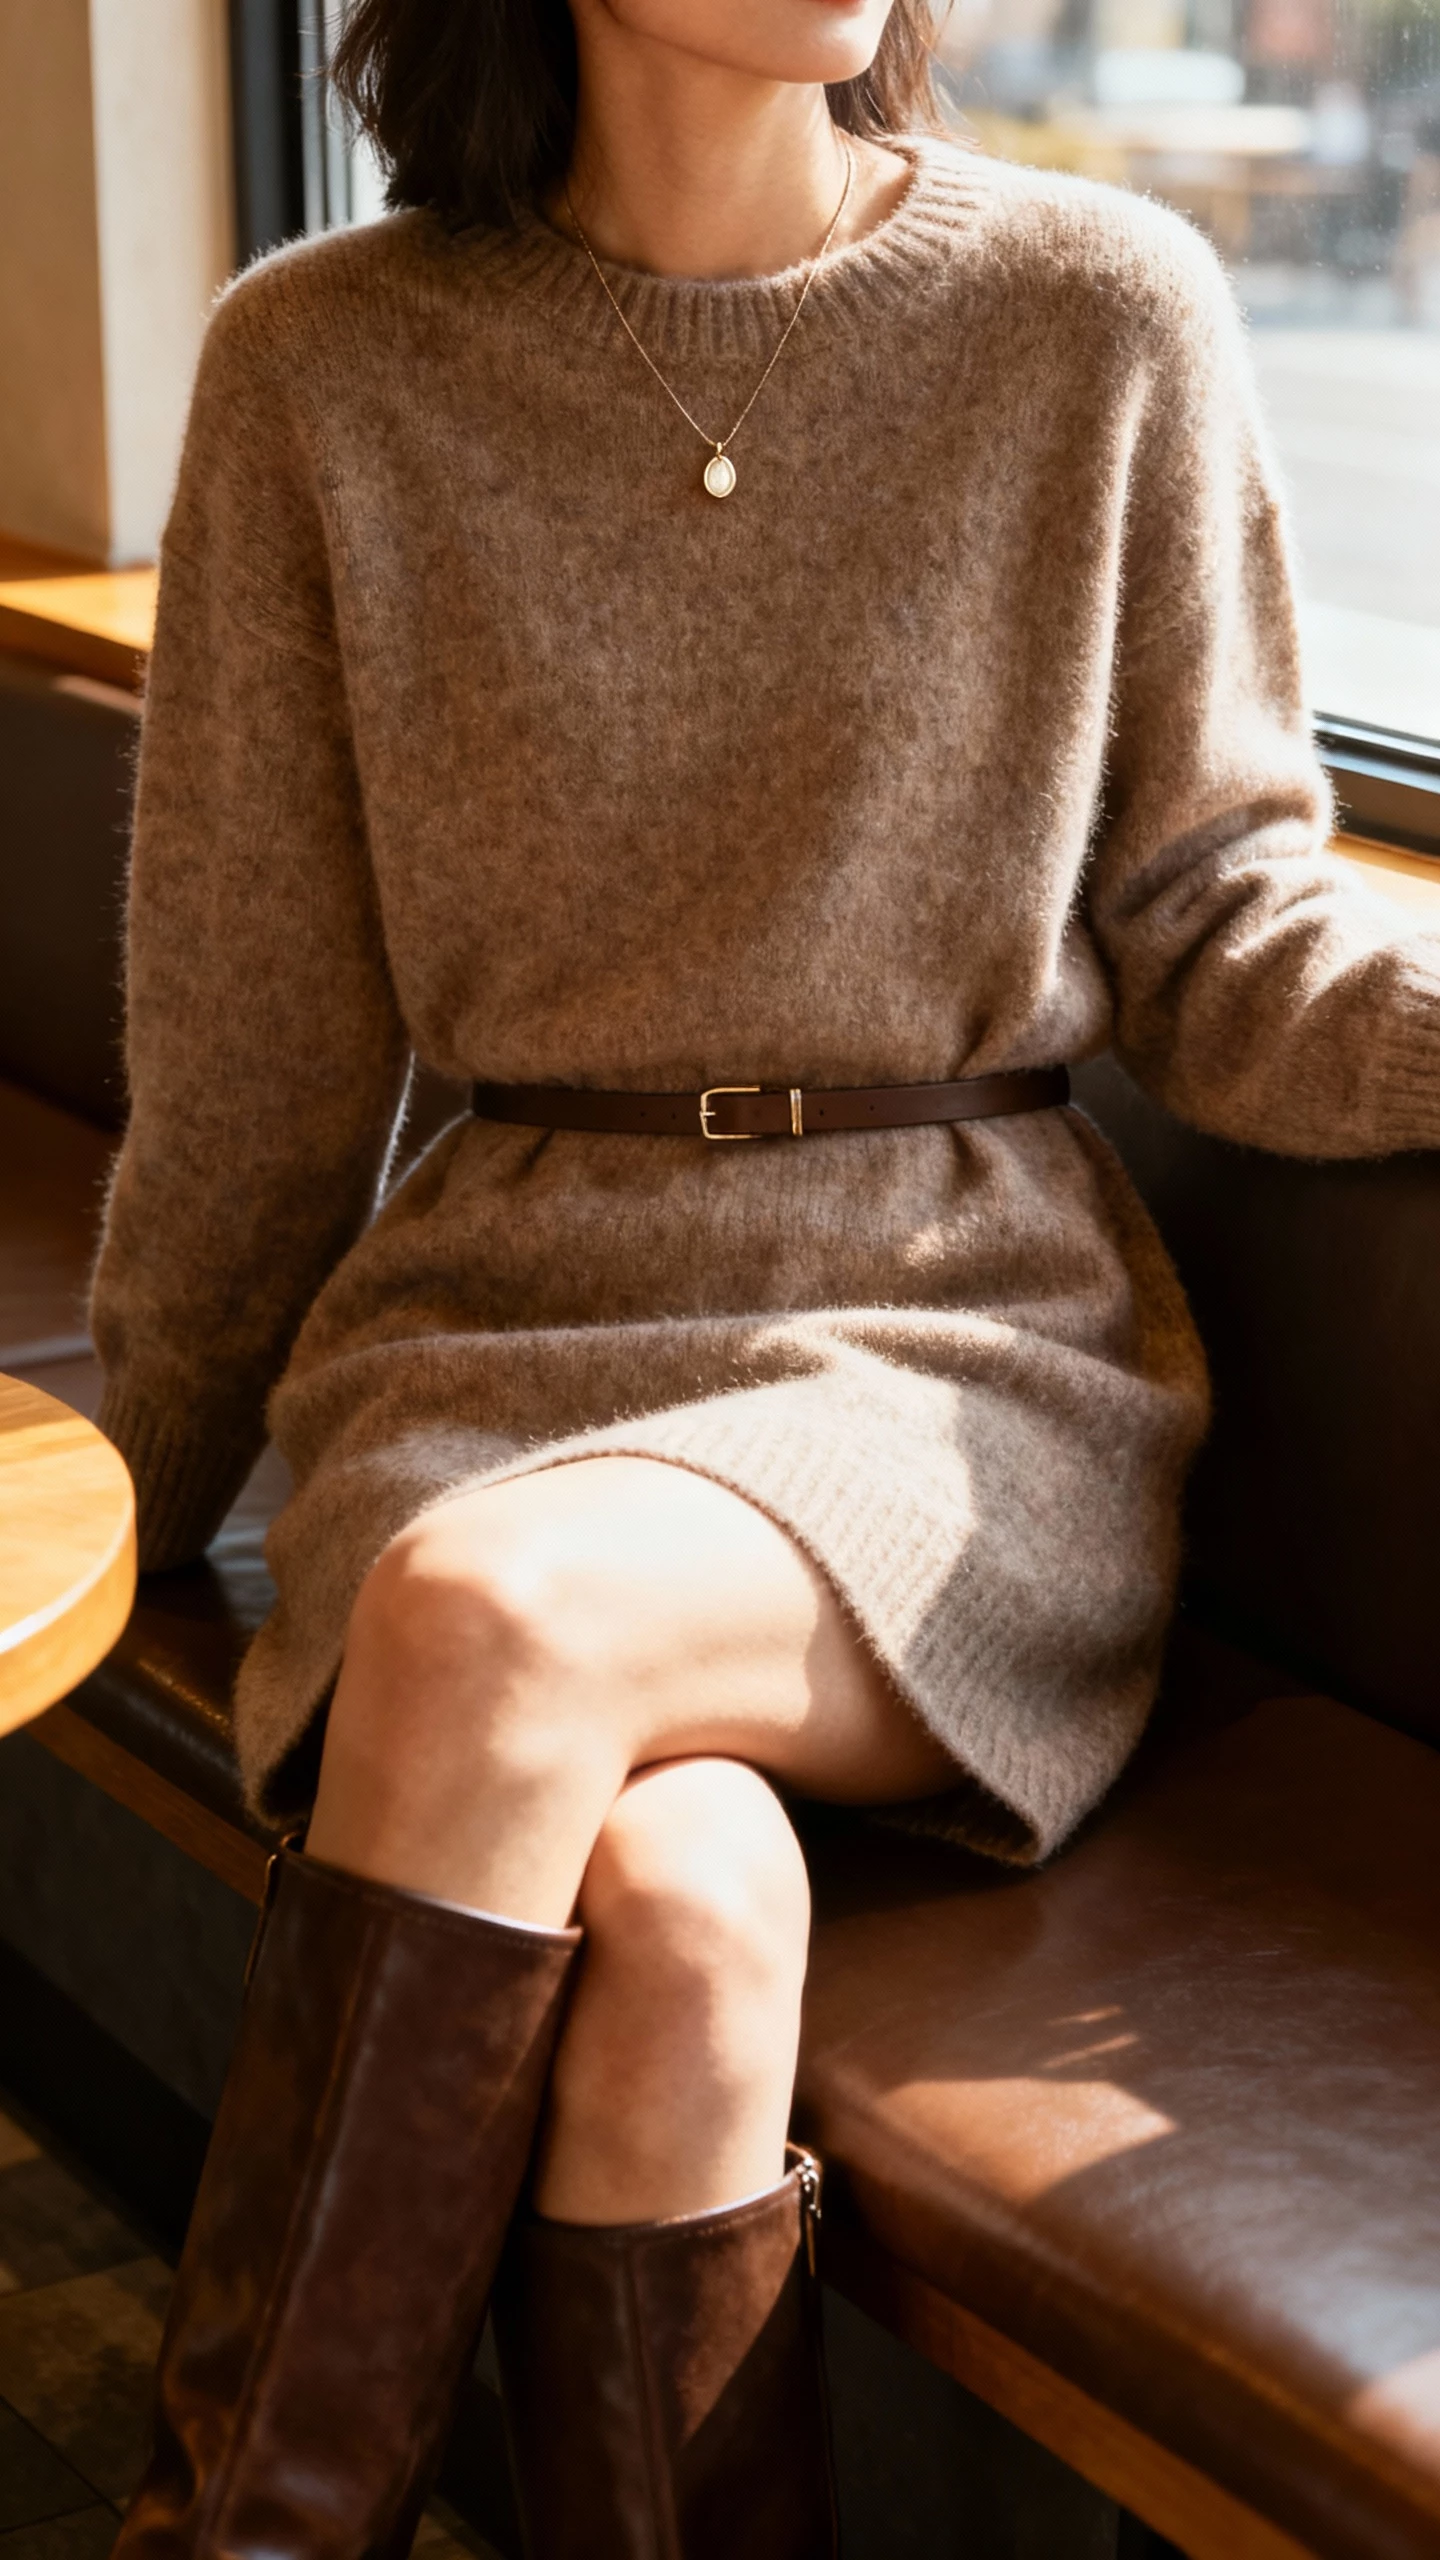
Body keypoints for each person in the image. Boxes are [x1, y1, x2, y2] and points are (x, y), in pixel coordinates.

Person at [95, 0, 1440, 2552]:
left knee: (489, 1634)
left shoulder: (1100, 310)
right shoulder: (322, 369)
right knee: (691, 1928)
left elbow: (1222, 933)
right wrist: (121, 1492)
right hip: (489, 1336)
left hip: (948, 1358)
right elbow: (259, 1050)